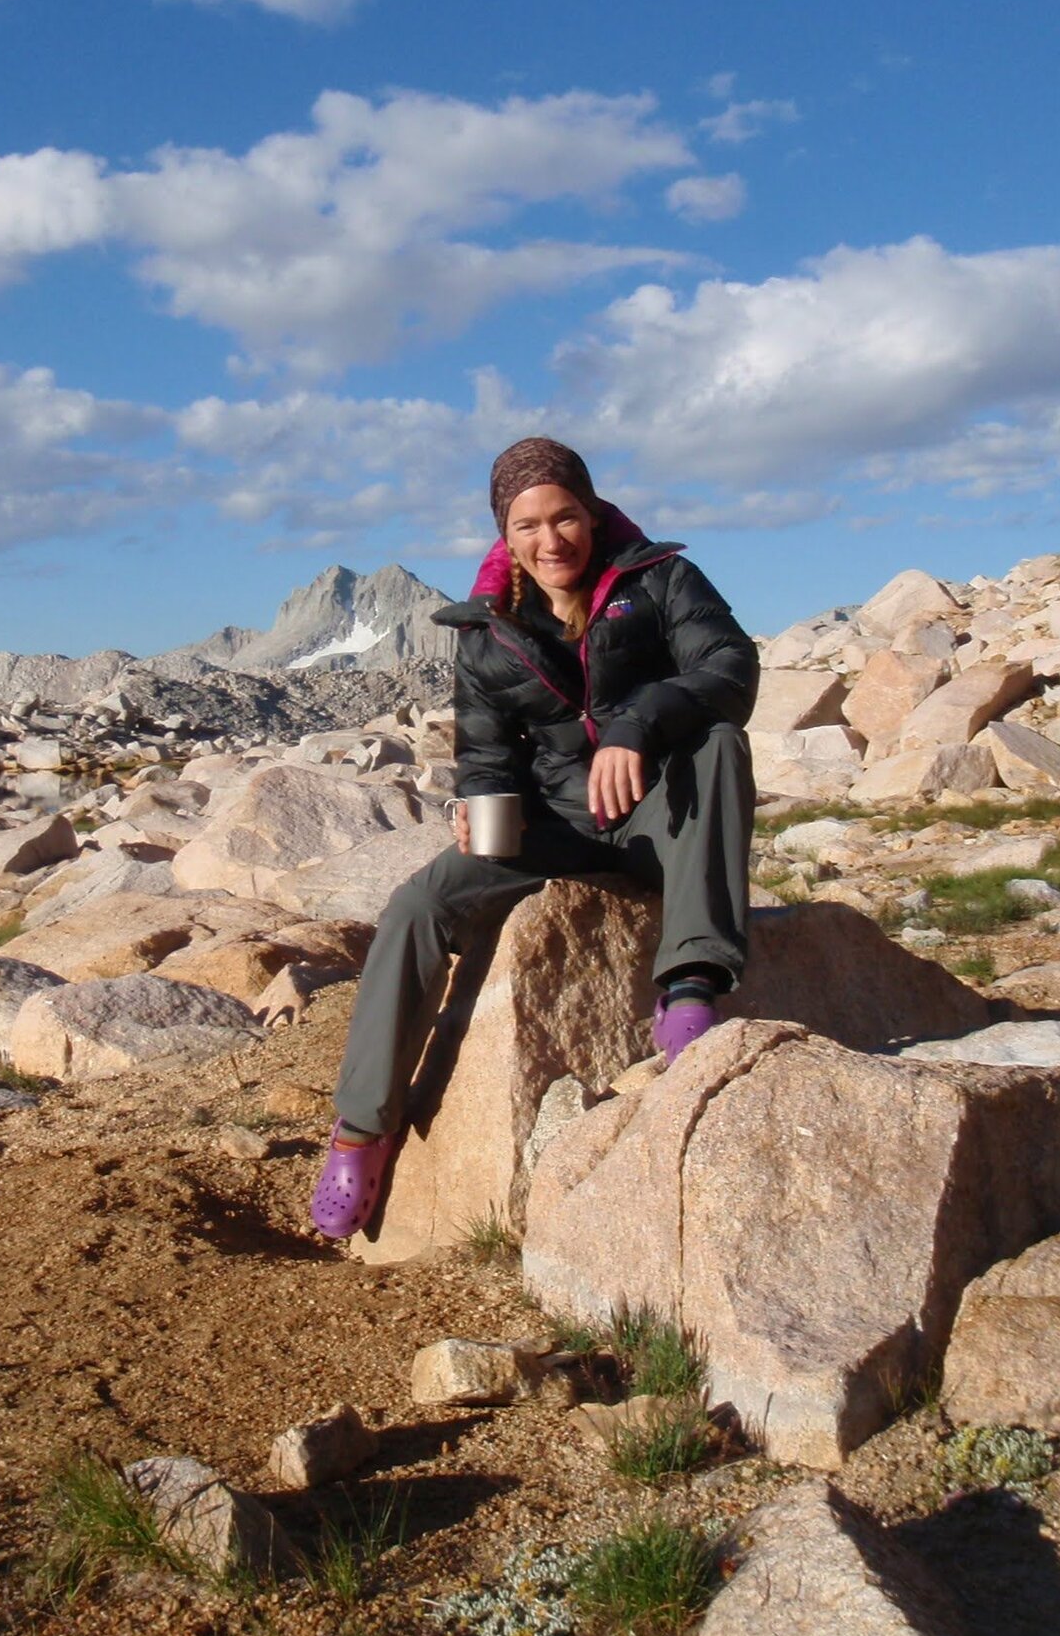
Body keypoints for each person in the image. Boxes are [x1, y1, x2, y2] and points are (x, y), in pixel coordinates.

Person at [310, 436, 759, 1241]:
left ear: (593, 514)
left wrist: (636, 724)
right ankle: (360, 1130)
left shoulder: (660, 581)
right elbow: (487, 755)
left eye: (566, 517)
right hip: (555, 827)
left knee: (720, 743)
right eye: (528, 525)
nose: (551, 540)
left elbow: (729, 666)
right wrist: (481, 802)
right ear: (503, 533)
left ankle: (689, 990)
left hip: (660, 815)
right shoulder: (488, 630)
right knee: (419, 902)